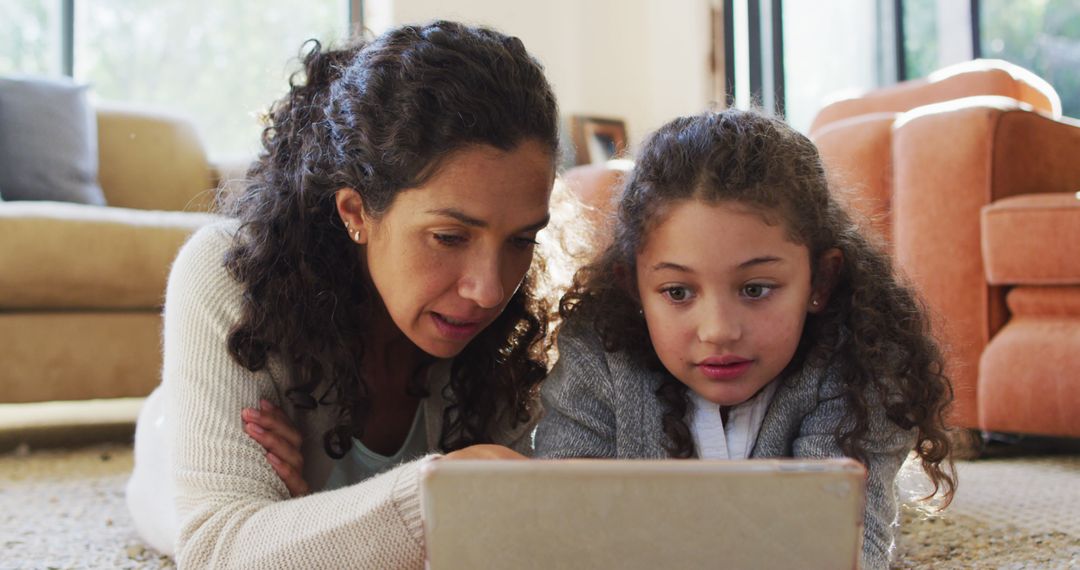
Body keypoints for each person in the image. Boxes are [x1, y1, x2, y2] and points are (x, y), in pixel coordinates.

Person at [125, 21, 561, 568]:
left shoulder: (512, 334)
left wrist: (298, 531)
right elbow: (217, 547)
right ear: (356, 211)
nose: (490, 288)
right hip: (176, 435)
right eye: (449, 237)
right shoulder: (229, 273)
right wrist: (435, 494)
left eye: (521, 239)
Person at [532, 109, 957, 570]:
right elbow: (565, 526)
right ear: (634, 287)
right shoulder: (597, 351)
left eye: (756, 289)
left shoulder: (863, 362)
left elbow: (843, 548)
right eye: (678, 292)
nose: (718, 330)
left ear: (820, 281)